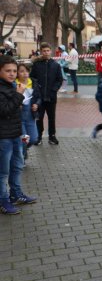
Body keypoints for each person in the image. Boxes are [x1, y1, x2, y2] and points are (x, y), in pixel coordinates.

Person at [0, 56, 37, 215]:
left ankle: (16, 194)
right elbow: (4, 110)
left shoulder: (12, 86)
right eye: (8, 71)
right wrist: (18, 95)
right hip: (3, 137)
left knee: (17, 166)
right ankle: (3, 200)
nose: (12, 74)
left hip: (16, 134)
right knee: (3, 171)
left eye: (14, 71)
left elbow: (13, 108)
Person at [30, 42, 63, 145]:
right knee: (39, 118)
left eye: (48, 50)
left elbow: (59, 80)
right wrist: (36, 89)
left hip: (51, 97)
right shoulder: (36, 64)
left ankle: (52, 136)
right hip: (39, 97)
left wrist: (54, 90)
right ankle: (38, 136)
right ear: (41, 52)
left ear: (50, 51)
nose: (46, 53)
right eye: (44, 51)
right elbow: (32, 78)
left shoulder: (56, 65)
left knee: (51, 117)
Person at [16, 64, 40, 159]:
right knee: (24, 139)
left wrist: (37, 104)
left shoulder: (33, 82)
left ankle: (24, 150)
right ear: (17, 73)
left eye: (26, 71)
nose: (25, 73)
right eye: (21, 71)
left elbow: (39, 97)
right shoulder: (14, 84)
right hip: (19, 118)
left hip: (30, 116)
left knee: (33, 139)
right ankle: (22, 157)